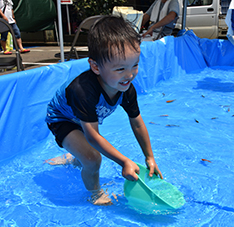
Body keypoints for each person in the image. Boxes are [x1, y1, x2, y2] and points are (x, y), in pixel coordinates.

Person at [44, 16, 163, 205]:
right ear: (95, 67)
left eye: (135, 65)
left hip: (80, 117)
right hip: (62, 118)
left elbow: (137, 123)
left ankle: (74, 156)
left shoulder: (126, 88)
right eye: (121, 68)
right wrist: (124, 162)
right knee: (92, 158)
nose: (130, 74)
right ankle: (95, 194)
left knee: (85, 150)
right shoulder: (83, 91)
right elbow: (92, 137)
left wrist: (149, 156)